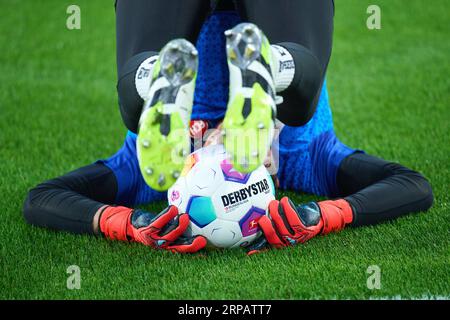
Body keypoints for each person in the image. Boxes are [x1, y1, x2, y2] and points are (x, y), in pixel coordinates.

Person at [23, 1, 433, 254]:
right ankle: (270, 67)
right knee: (298, 108)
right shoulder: (306, 158)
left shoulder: (155, 168)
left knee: (140, 95)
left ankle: (154, 77)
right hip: (278, 36)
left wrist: (130, 223)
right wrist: (320, 216)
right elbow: (411, 184)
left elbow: (42, 198)